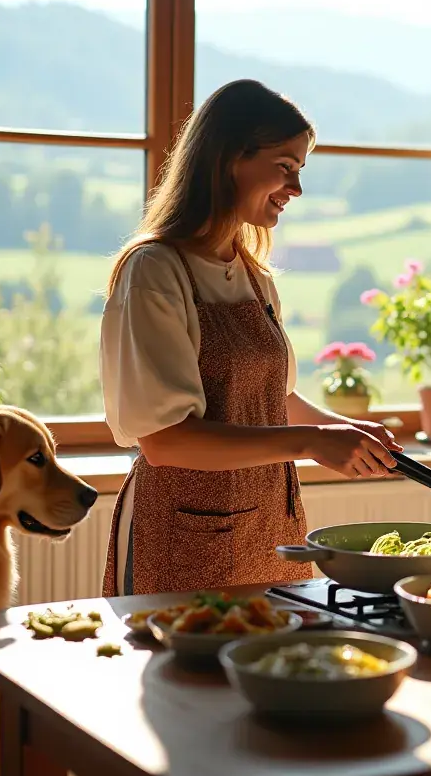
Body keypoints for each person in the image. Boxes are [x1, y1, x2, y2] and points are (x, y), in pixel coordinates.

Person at [97, 78, 400, 601]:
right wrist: (310, 443)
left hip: (269, 522)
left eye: (299, 171)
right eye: (285, 167)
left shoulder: (253, 272)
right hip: (181, 537)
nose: (296, 189)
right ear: (229, 157)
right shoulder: (154, 271)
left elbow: (272, 399)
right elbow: (164, 441)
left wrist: (340, 427)